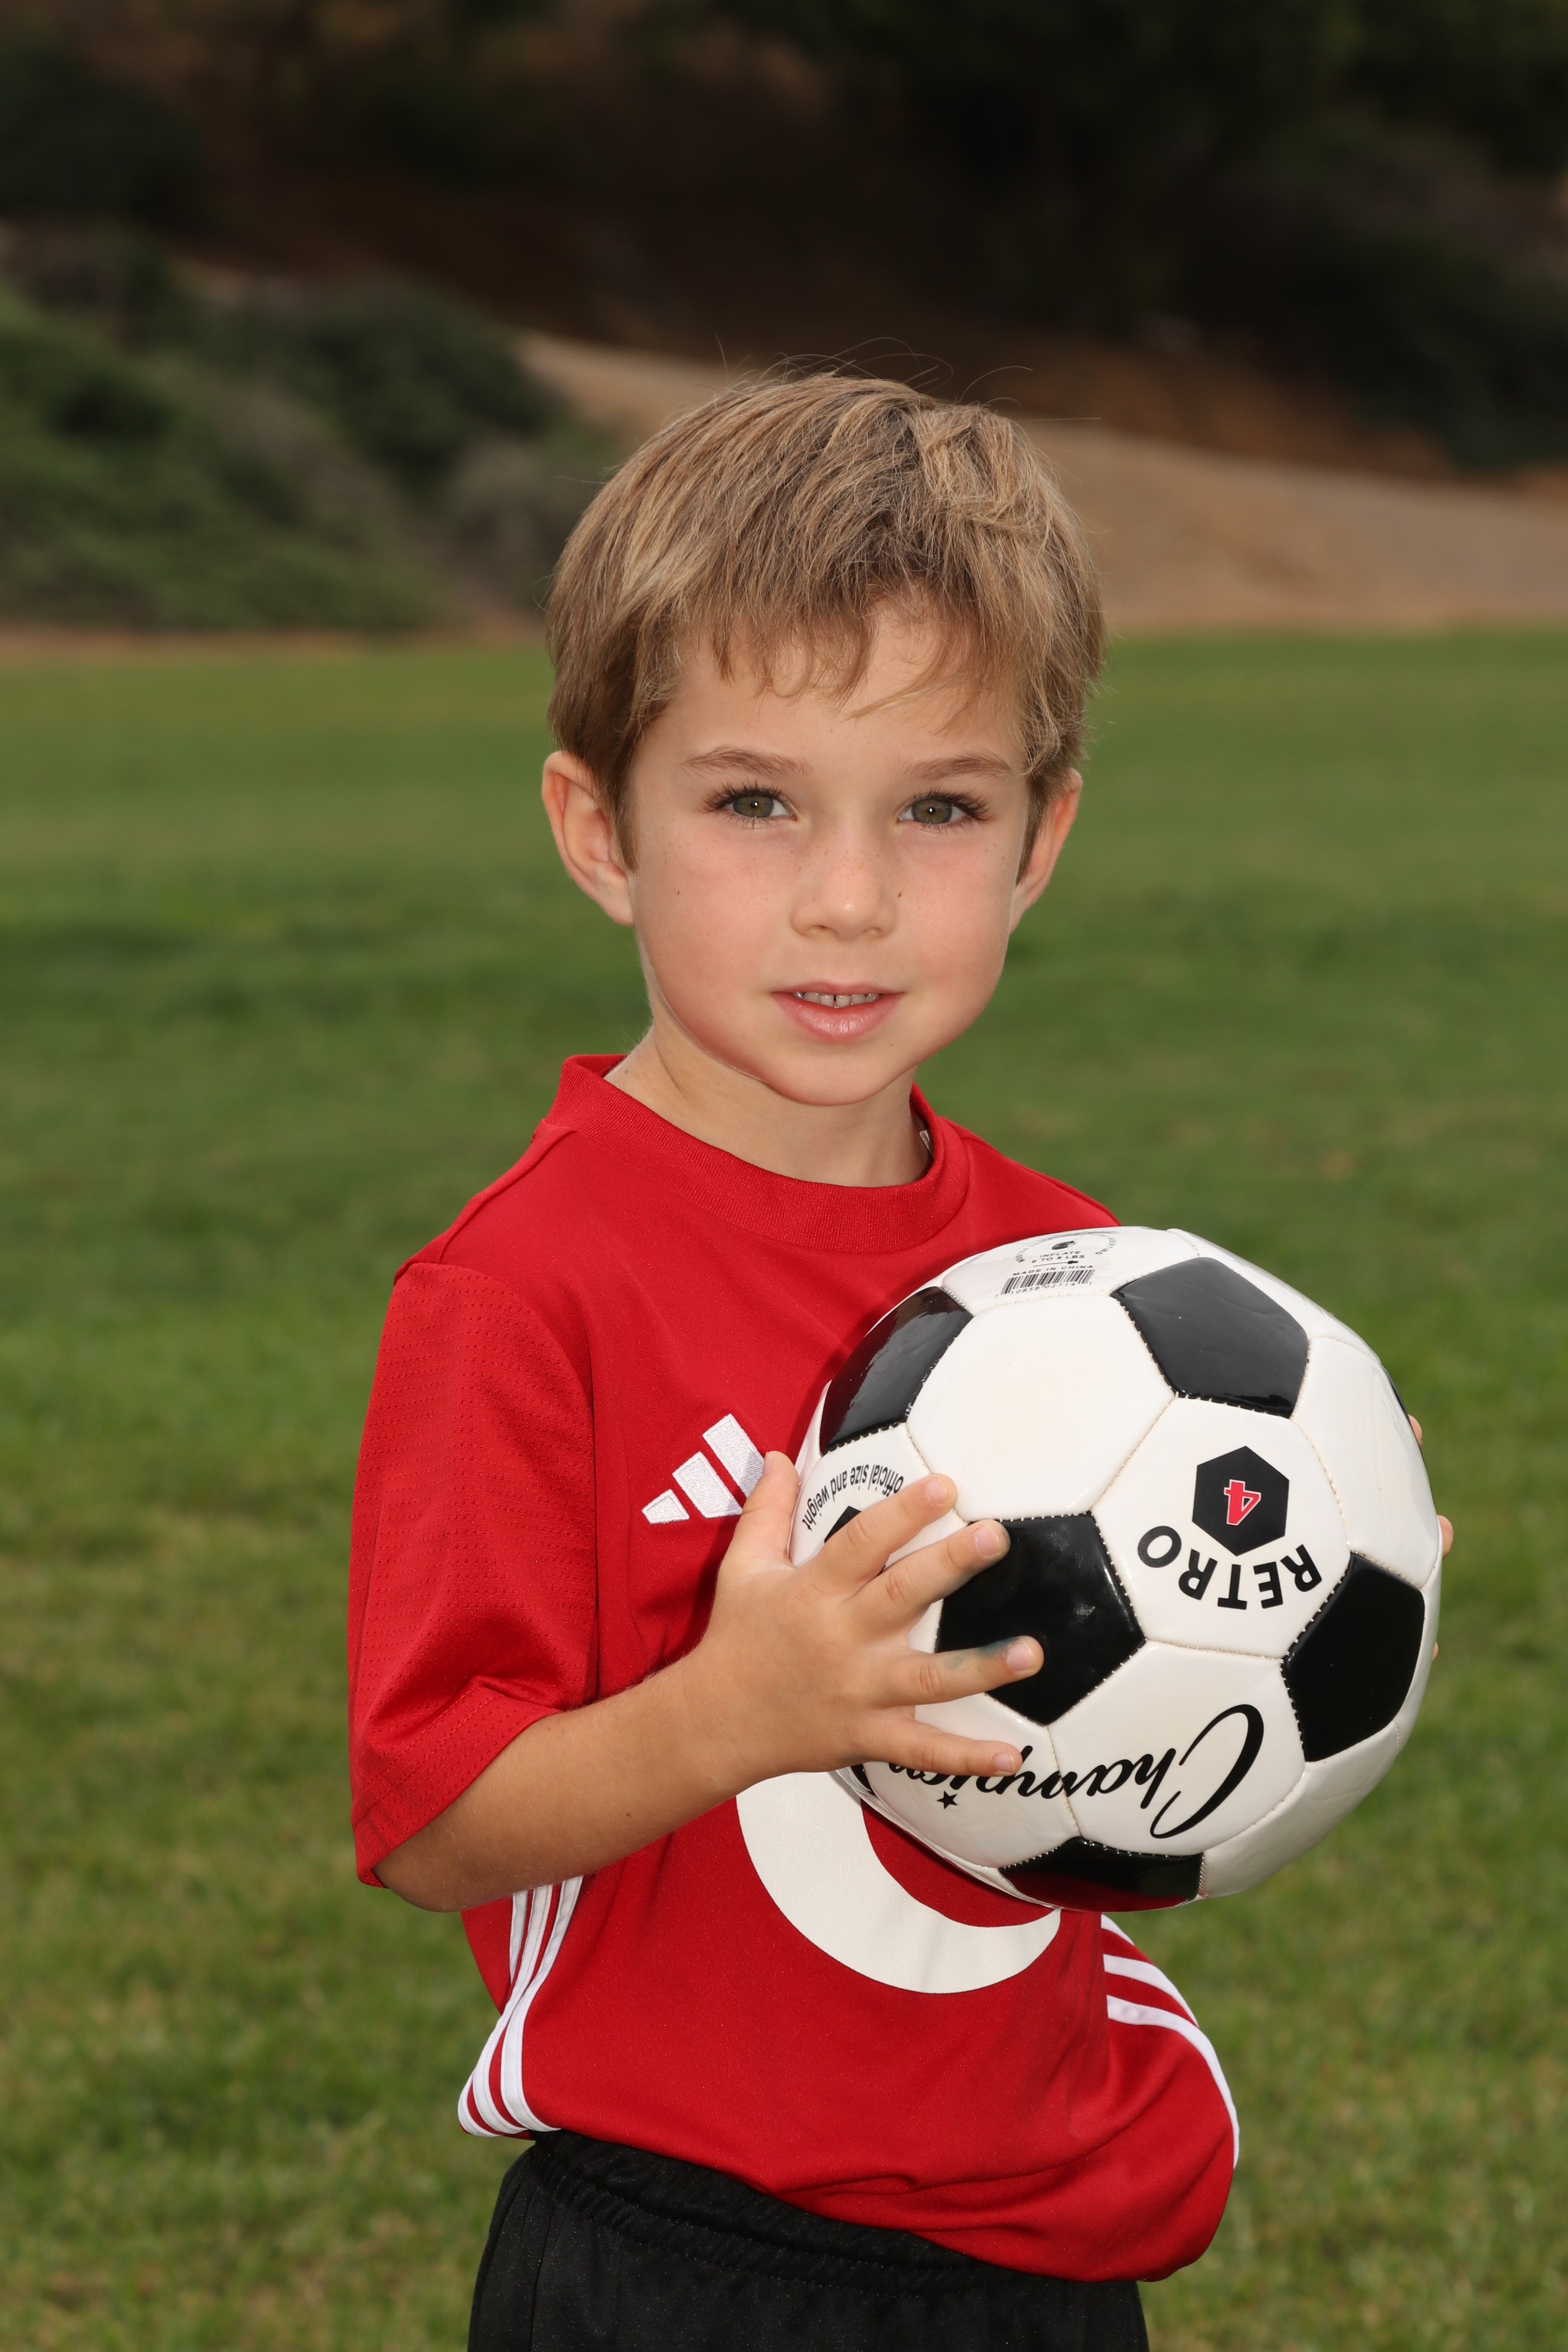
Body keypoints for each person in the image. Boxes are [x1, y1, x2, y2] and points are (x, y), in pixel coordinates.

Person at [347, 375, 1448, 2350]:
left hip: (1041, 2258)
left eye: (938, 808)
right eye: (752, 801)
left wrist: (1305, 1557)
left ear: (1040, 840)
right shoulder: (522, 1294)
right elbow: (432, 1821)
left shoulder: (1083, 1286)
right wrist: (738, 1707)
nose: (846, 898)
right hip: (683, 2255)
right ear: (599, 830)